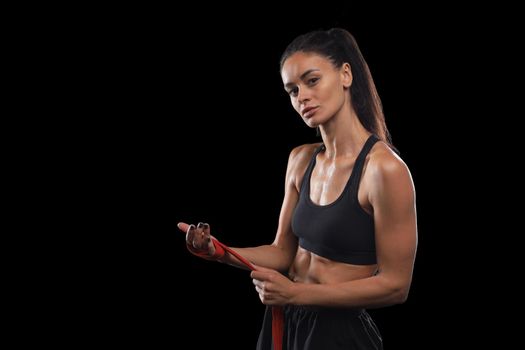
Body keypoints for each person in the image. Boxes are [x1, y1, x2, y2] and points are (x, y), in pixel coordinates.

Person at [177, 27, 417, 350]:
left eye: (312, 80)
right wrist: (219, 251)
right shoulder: (301, 161)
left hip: (338, 334)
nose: (301, 96)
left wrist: (297, 293)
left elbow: (396, 285)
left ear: (345, 74)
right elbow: (282, 253)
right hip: (288, 322)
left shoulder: (384, 170)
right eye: (292, 90)